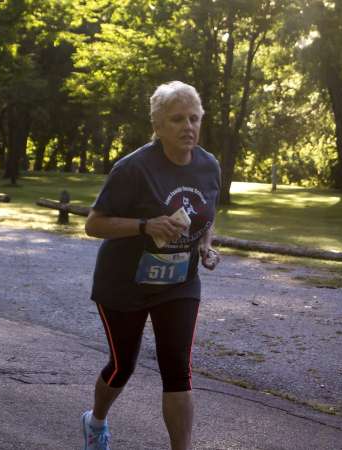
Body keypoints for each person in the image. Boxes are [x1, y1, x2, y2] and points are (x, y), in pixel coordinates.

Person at [81, 80, 221, 450]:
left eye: (194, 118)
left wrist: (206, 246)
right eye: (177, 119)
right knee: (121, 365)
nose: (187, 126)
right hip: (123, 285)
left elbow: (207, 215)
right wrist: (145, 226)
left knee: (177, 369)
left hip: (179, 284)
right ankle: (95, 422)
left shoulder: (209, 167)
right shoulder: (133, 169)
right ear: (157, 125)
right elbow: (93, 223)